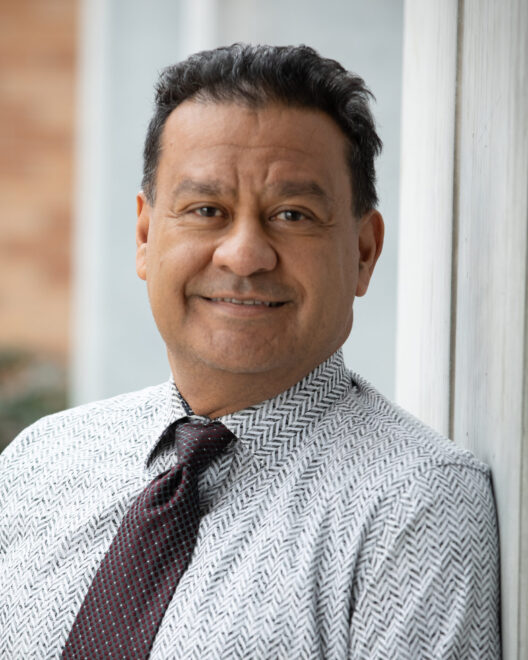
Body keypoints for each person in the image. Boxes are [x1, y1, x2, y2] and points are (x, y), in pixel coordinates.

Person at [0, 44, 500, 659]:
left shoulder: (413, 505)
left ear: (364, 252)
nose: (243, 254)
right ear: (145, 236)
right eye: (206, 210)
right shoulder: (40, 465)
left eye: (292, 214)